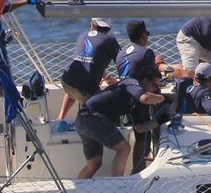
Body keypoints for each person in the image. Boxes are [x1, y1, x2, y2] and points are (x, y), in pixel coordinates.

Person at [74, 64, 165, 179]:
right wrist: (162, 98)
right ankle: (117, 185)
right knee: (124, 148)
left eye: (157, 88)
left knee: (94, 164)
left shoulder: (135, 103)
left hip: (83, 120)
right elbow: (145, 98)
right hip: (92, 116)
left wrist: (162, 119)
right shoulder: (131, 82)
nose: (155, 90)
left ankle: (79, 191)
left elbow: (140, 128)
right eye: (154, 86)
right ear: (145, 80)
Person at [120, 21, 172, 173]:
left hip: (124, 97)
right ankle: (138, 173)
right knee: (144, 138)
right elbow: (151, 78)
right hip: (139, 97)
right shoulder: (146, 52)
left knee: (139, 135)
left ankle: (137, 170)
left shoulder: (121, 53)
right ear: (143, 35)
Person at [57, 18, 121, 120]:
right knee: (98, 113)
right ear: (108, 30)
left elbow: (86, 60)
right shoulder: (110, 40)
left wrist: (105, 76)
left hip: (66, 80)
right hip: (86, 88)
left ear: (92, 26)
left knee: (73, 87)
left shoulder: (82, 36)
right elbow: (121, 61)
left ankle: (60, 118)